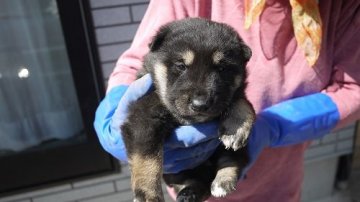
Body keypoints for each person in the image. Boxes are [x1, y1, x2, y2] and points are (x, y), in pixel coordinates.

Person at [94, 0, 360, 201]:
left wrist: (274, 126)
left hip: (277, 186)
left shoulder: (345, 6)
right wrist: (117, 102)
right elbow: (143, 57)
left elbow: (354, 88)